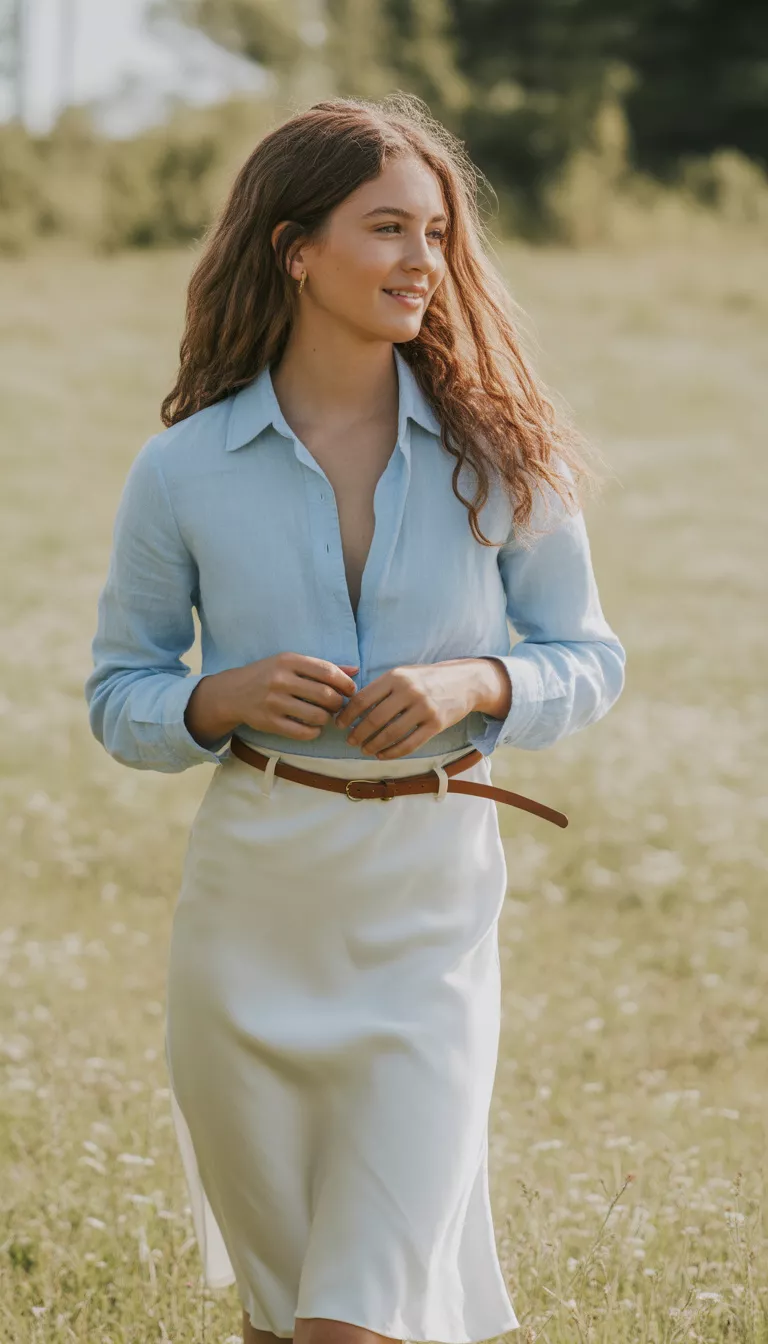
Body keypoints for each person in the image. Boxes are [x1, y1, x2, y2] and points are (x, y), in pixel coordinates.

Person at [84, 94, 626, 1344]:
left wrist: (477, 683)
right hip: (252, 915)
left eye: (436, 233)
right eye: (388, 228)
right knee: (284, 1316)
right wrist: (214, 698)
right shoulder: (182, 471)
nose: (423, 260)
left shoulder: (506, 456)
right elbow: (120, 693)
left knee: (355, 1319)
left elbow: (589, 660)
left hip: (427, 917)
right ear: (295, 248)